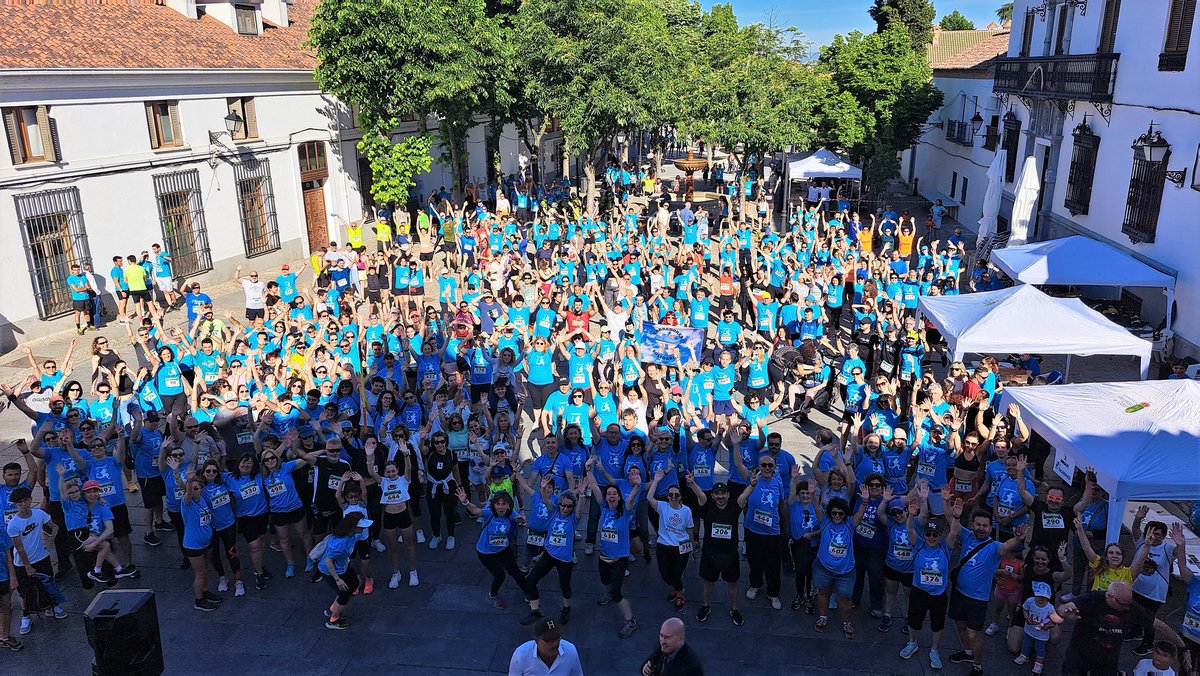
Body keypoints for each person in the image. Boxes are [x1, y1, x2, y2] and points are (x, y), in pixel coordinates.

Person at [946, 512, 1028, 674]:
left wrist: (1018, 539)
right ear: (972, 525)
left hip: (977, 600)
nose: (981, 528)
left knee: (973, 634)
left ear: (991, 528)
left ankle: (977, 666)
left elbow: (1007, 546)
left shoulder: (994, 547)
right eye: (978, 524)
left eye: (985, 525)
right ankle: (968, 653)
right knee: (960, 625)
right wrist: (947, 501)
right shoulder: (968, 536)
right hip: (959, 593)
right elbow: (950, 519)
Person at [1057, 581, 1154, 675]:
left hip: (1107, 659)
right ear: (1110, 596)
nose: (1127, 608)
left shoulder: (1129, 605)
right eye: (1123, 604)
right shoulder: (1092, 598)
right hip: (1080, 654)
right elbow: (1065, 608)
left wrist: (1169, 636)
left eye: (1129, 603)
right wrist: (1064, 610)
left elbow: (1156, 624)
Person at [318, 514, 372, 630]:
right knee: (345, 593)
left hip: (342, 566)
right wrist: (337, 579)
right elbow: (328, 561)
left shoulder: (351, 535)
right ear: (352, 527)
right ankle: (334, 619)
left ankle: (333, 609)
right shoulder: (340, 543)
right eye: (361, 526)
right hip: (330, 571)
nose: (363, 528)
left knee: (354, 584)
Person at [508, 616, 584, 676]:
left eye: (557, 637)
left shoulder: (571, 651)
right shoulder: (521, 655)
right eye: (548, 640)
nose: (555, 644)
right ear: (536, 640)